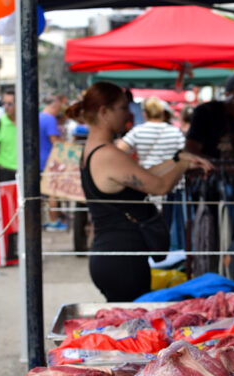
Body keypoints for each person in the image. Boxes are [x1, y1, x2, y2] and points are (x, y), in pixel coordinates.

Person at [66, 82, 211, 301]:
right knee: (131, 328)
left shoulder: (97, 151)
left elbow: (142, 175)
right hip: (121, 260)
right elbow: (159, 186)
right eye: (123, 108)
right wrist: (181, 165)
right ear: (104, 112)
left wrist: (177, 160)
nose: (128, 114)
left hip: (115, 256)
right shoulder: (108, 155)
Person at [116, 97, 186, 168]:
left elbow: (119, 149)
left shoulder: (138, 131)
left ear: (145, 114)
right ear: (162, 113)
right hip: (172, 175)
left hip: (148, 175)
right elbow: (186, 153)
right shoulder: (176, 132)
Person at [39, 95, 66, 231]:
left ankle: (44, 220)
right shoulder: (50, 119)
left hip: (38, 161)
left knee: (39, 195)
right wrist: (66, 145)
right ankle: (54, 222)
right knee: (52, 194)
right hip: (48, 161)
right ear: (54, 106)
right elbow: (54, 141)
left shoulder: (38, 116)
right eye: (59, 108)